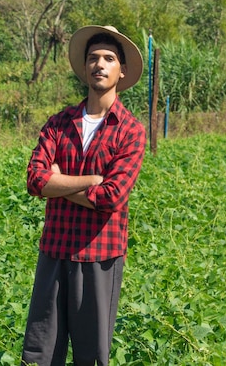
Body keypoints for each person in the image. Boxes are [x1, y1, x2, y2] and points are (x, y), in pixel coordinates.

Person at [22, 25, 147, 366]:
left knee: (91, 356)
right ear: (84, 67)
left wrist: (60, 184)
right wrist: (91, 179)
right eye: (93, 58)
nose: (99, 65)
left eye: (109, 59)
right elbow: (35, 180)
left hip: (99, 256)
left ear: (121, 71)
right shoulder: (59, 123)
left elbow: (111, 197)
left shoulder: (130, 130)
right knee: (40, 352)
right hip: (55, 250)